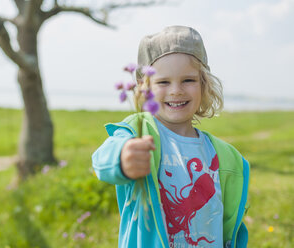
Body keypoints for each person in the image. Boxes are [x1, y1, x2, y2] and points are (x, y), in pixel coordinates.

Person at [92, 26, 250, 248]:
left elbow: (230, 225)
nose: (176, 90)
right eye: (163, 82)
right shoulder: (137, 133)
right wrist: (122, 158)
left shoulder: (224, 155)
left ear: (204, 85)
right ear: (143, 88)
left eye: (188, 80)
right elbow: (102, 160)